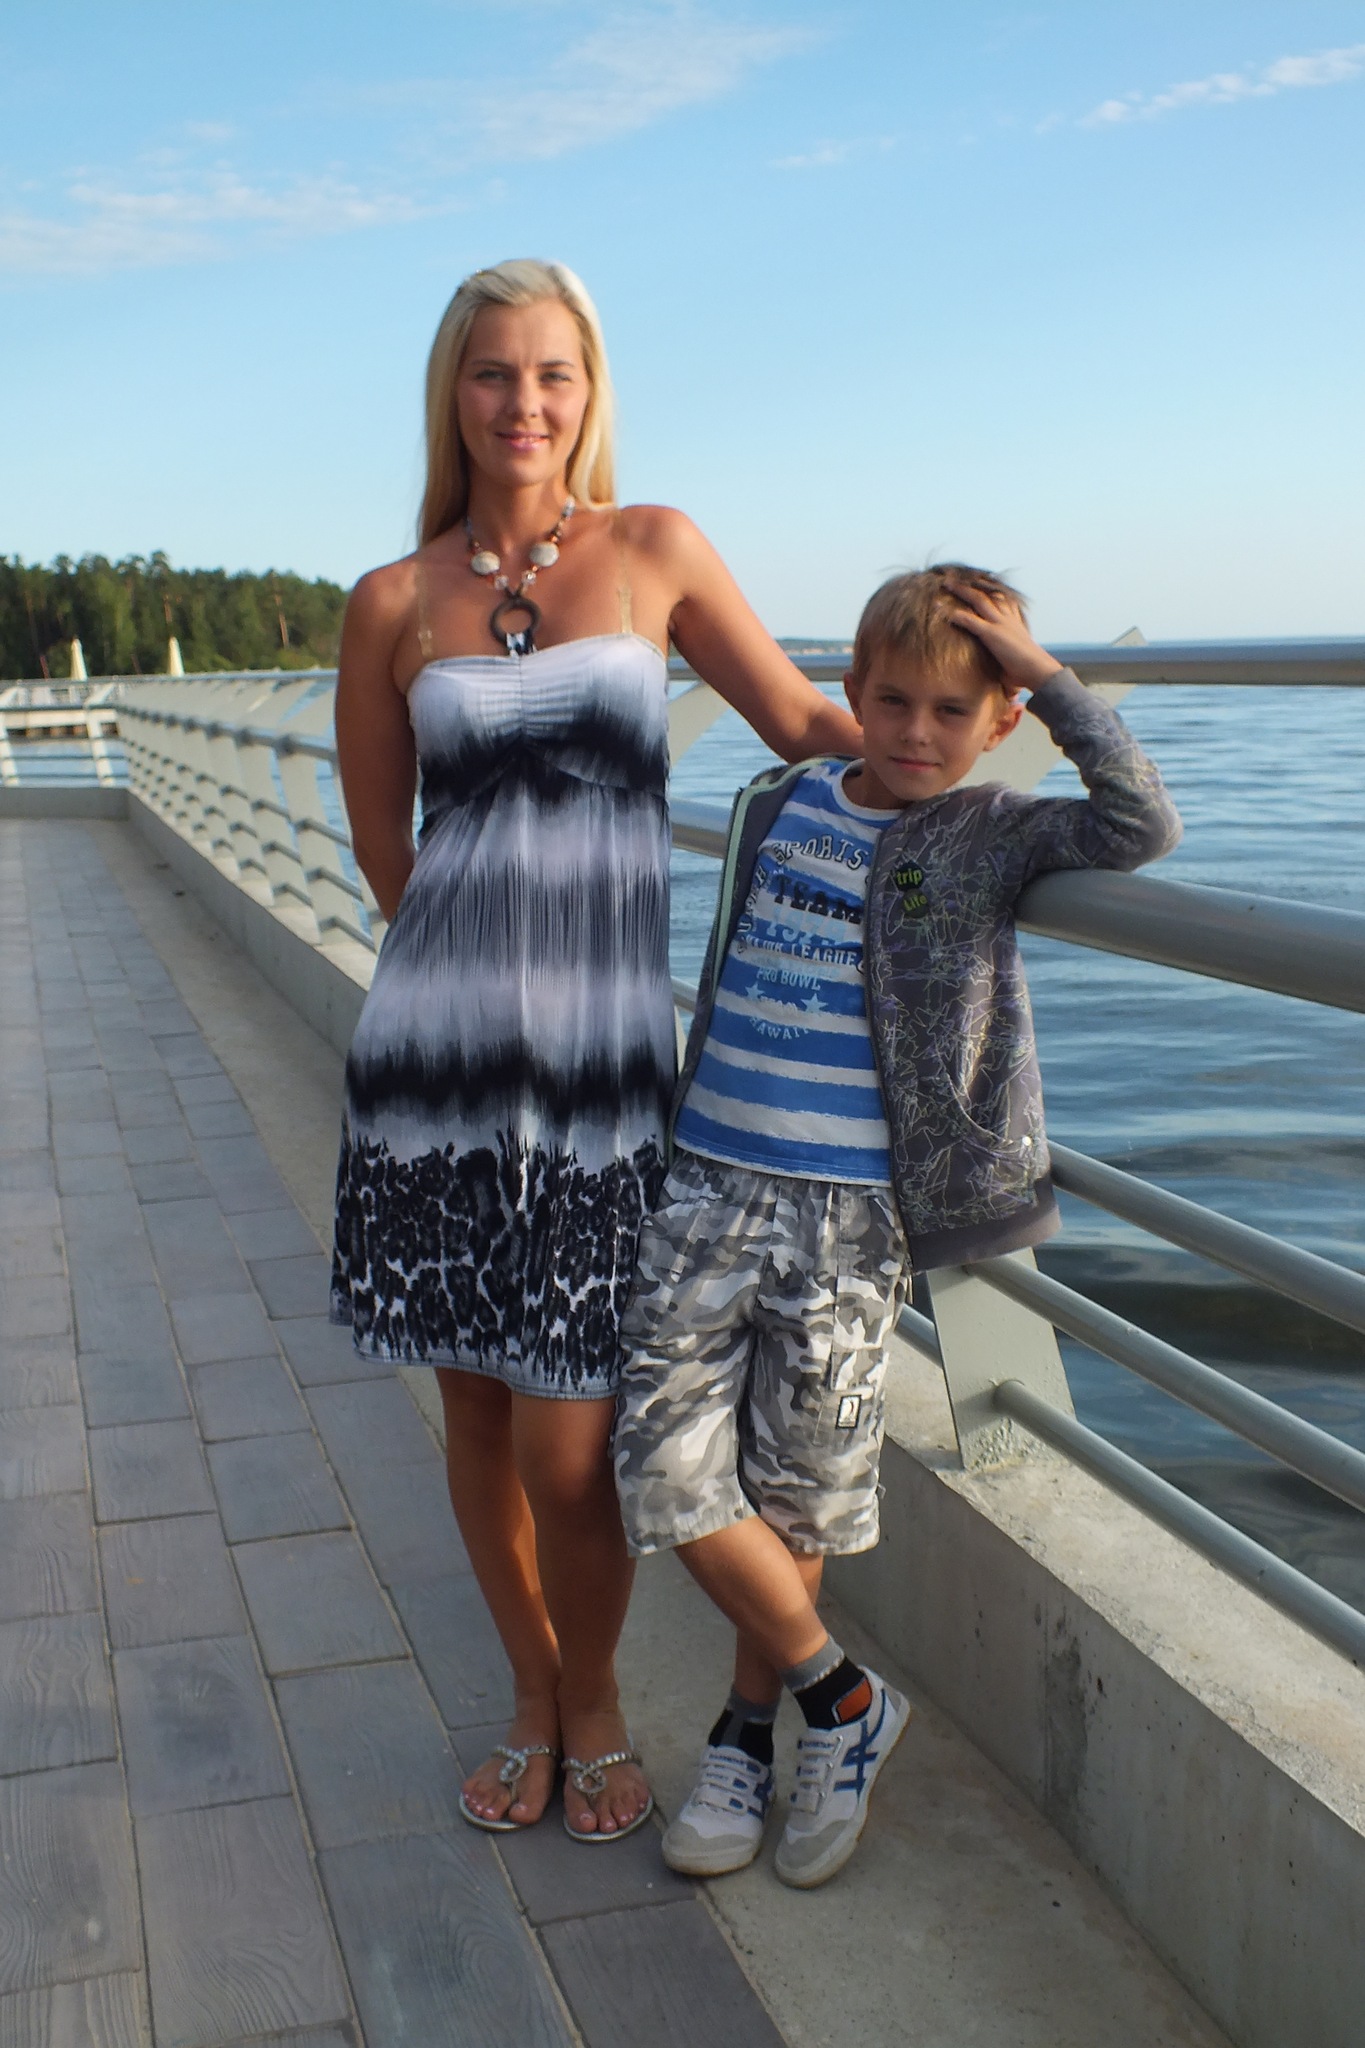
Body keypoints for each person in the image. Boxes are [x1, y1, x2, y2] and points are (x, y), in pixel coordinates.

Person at [329, 258, 863, 1843]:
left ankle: (600, 1698)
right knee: (478, 1422)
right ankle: (535, 1702)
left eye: (552, 372)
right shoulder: (389, 602)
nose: (525, 403)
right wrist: (483, 1000)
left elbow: (807, 731)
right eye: (493, 373)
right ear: (453, 393)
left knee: (573, 1442)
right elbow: (386, 852)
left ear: (590, 390)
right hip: (437, 1076)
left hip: (606, 1084)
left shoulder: (652, 551)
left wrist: (976, 760)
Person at [613, 564, 1181, 1886]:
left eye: (950, 709)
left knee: (794, 1499)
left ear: (997, 722)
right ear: (850, 694)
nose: (915, 732)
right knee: (658, 1460)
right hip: (707, 1179)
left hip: (852, 1218)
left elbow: (1139, 823)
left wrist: (1049, 679)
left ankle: (748, 1740)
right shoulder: (782, 799)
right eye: (890, 701)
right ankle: (846, 1698)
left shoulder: (992, 830)